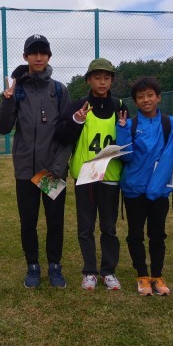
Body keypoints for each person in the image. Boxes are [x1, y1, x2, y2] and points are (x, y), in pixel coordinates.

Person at [0, 34, 71, 289]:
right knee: (28, 221)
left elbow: (68, 133)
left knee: (55, 221)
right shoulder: (17, 90)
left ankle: (55, 266)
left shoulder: (59, 90)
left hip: (51, 170)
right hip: (26, 170)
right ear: (25, 56)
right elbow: (3, 127)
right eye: (33, 53)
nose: (38, 57)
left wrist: (58, 167)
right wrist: (7, 101)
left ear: (49, 56)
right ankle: (33, 266)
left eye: (43, 52)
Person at [56, 58, 128, 291]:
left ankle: (108, 272)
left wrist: (125, 129)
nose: (102, 82)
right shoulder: (79, 105)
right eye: (97, 77)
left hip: (110, 174)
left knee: (109, 227)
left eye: (107, 78)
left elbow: (127, 139)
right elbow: (62, 135)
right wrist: (76, 121)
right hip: (86, 174)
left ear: (112, 80)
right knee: (85, 227)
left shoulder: (119, 105)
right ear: (89, 80)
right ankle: (89, 272)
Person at [116, 77, 173, 296]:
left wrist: (155, 188)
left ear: (158, 97)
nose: (146, 100)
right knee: (135, 234)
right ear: (135, 101)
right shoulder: (129, 124)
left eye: (150, 95)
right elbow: (126, 157)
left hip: (158, 191)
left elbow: (170, 155)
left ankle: (157, 276)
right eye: (140, 97)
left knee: (157, 234)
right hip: (134, 189)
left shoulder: (169, 123)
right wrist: (122, 131)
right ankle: (142, 275)